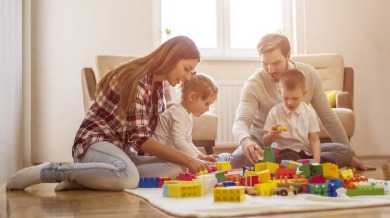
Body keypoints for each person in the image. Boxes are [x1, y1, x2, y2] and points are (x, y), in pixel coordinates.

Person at [6, 35, 213, 192]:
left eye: (191, 72)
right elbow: (142, 141)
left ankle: (87, 180)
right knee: (127, 177)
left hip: (123, 153)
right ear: (172, 57)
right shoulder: (137, 79)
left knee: (176, 169)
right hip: (95, 142)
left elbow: (151, 139)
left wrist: (193, 159)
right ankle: (54, 170)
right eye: (186, 69)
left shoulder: (158, 89)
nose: (187, 77)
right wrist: (188, 158)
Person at [220, 33, 375, 170]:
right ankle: (297, 165)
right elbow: (241, 121)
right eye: (264, 63)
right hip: (263, 145)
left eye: (276, 63)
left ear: (288, 55)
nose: (270, 70)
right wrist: (246, 142)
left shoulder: (309, 75)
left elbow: (328, 117)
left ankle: (290, 165)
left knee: (344, 153)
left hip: (300, 146)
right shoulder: (254, 83)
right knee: (239, 161)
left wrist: (352, 155)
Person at [152, 72, 218, 161]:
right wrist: (194, 160)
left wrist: (201, 156)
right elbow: (179, 141)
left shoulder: (187, 115)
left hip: (167, 155)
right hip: (155, 156)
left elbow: (187, 141)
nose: (208, 109)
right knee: (182, 168)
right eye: (206, 104)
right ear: (191, 96)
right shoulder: (177, 113)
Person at [263, 69, 321, 164]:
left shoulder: (309, 112)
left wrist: (316, 161)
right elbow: (265, 143)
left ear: (304, 94)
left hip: (305, 153)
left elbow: (314, 140)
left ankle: (304, 163)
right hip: (284, 153)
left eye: (295, 98)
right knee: (290, 156)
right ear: (280, 93)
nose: (290, 103)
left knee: (343, 151)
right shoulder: (275, 112)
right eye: (285, 98)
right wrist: (270, 134)